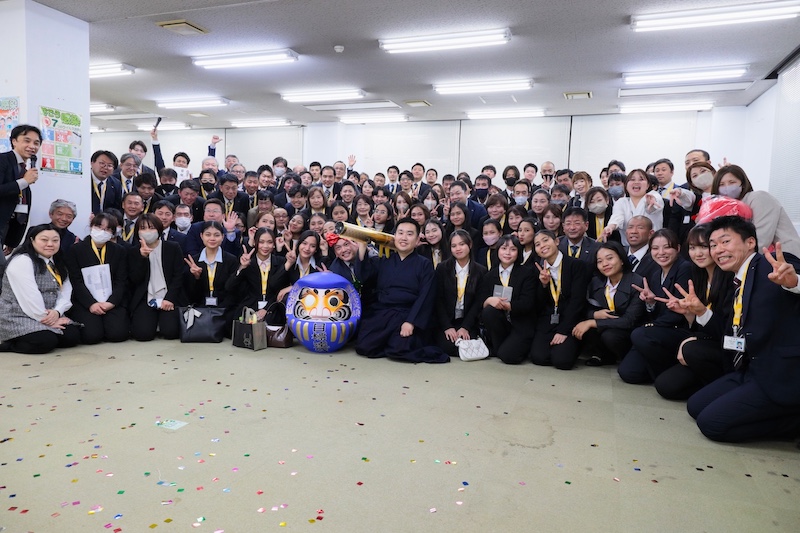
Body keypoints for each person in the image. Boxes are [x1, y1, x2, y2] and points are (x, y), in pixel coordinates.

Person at [687, 216, 800, 443]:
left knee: (711, 424)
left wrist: (794, 282)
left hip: (781, 374)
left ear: (750, 242)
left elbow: (792, 276)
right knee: (695, 406)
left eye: (725, 241)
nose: (718, 250)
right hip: (750, 370)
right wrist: (700, 311)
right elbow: (729, 331)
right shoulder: (736, 281)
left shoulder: (772, 265)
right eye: (713, 245)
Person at [652, 224, 734, 400]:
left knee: (691, 349)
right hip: (706, 343)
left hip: (727, 348)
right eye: (692, 247)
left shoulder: (730, 278)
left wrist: (693, 337)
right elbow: (697, 324)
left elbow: (726, 329)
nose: (698, 253)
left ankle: (725, 389)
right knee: (665, 386)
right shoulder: (698, 277)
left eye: (704, 247)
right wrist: (687, 313)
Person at [356, 218, 446, 363]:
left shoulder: (424, 264)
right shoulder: (384, 261)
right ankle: (389, 340)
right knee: (364, 346)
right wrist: (362, 246)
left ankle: (394, 340)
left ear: (417, 240)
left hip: (408, 314)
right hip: (384, 312)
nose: (404, 238)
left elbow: (425, 296)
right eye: (400, 233)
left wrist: (411, 322)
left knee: (400, 349)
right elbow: (364, 276)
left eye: (409, 234)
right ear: (394, 236)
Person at [617, 229, 691, 384]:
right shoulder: (656, 272)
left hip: (680, 328)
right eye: (655, 248)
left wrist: (651, 326)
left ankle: (669, 372)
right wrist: (650, 303)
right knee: (628, 373)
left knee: (640, 334)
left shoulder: (684, 268)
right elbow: (655, 309)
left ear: (678, 248)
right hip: (661, 328)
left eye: (667, 247)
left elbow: (679, 312)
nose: (661, 253)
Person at [0, 224, 80, 353]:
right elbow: (29, 297)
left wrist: (57, 312)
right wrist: (48, 320)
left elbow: (65, 291)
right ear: (32, 240)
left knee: (72, 336)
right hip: (17, 314)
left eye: (55, 240)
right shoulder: (22, 261)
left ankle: (43, 330)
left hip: (49, 314)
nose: (50, 244)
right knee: (45, 341)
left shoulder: (57, 261)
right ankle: (8, 344)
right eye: (44, 240)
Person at [572, 241, 645, 366]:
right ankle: (602, 355)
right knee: (581, 326)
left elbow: (629, 321)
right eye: (599, 261)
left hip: (628, 329)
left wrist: (593, 322)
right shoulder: (596, 282)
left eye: (609, 258)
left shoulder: (637, 282)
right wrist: (594, 315)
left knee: (610, 336)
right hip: (606, 324)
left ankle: (627, 358)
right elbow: (584, 307)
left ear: (622, 260)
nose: (605, 264)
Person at [65, 214, 130, 344]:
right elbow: (76, 280)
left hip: (111, 300)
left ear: (112, 233)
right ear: (91, 227)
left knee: (118, 334)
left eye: (108, 229)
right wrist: (91, 303)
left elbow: (121, 280)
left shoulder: (119, 250)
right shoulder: (76, 249)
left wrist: (111, 302)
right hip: (86, 301)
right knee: (91, 336)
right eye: (99, 227)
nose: (102, 231)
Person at [711, 164, 800, 259]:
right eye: (721, 185)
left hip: (784, 258)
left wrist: (735, 259)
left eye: (732, 182)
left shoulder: (759, 198)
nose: (727, 187)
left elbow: (762, 237)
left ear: (743, 184)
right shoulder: (727, 209)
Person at [529, 230, 588, 369]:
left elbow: (577, 301)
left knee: (562, 361)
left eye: (545, 240)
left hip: (571, 319)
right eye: (537, 244)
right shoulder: (537, 268)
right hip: (548, 319)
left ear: (556, 241)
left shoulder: (576, 265)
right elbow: (538, 304)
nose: (542, 245)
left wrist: (563, 330)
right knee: (538, 357)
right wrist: (543, 285)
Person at [479, 234, 537, 363]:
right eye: (504, 248)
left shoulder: (527, 273)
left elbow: (528, 303)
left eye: (513, 249)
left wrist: (506, 305)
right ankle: (502, 347)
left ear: (518, 252)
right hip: (501, 324)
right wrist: (489, 301)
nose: (507, 253)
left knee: (509, 357)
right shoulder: (489, 275)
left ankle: (512, 348)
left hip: (520, 323)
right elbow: (481, 302)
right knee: (489, 311)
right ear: (498, 250)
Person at [434, 230, 487, 357]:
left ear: (470, 245)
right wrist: (447, 326)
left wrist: (465, 327)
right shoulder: (442, 268)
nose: (458, 249)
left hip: (467, 320)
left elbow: (478, 303)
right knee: (447, 346)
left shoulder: (480, 271)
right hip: (447, 320)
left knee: (466, 343)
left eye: (462, 244)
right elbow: (438, 300)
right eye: (454, 246)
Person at [184, 221, 240, 337]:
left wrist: (219, 309)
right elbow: (190, 295)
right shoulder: (194, 261)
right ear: (201, 236)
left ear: (223, 237)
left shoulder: (231, 260)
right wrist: (196, 277)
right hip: (201, 307)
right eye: (208, 234)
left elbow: (233, 291)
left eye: (216, 235)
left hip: (224, 308)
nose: (212, 238)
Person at [227, 228, 288, 319]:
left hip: (273, 310)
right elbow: (229, 287)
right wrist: (242, 267)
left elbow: (280, 289)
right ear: (255, 243)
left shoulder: (280, 262)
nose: (265, 246)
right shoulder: (248, 262)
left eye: (269, 242)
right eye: (261, 242)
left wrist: (266, 309)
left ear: (274, 244)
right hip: (249, 310)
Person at [0, 125, 41, 260]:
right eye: (27, 141)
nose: (32, 146)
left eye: (36, 143)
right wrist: (24, 181)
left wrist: (12, 240)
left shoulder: (24, 169)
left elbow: (19, 205)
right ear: (14, 141)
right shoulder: (3, 160)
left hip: (7, 230)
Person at [602, 169, 664, 246]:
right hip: (628, 248)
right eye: (632, 179)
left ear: (648, 185)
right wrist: (610, 227)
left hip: (652, 247)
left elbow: (653, 207)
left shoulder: (653, 196)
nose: (636, 182)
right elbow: (617, 218)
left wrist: (651, 202)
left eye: (641, 179)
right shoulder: (622, 202)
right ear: (626, 185)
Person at [276, 230, 321, 302]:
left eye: (312, 246)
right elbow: (275, 284)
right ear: (299, 244)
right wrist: (289, 263)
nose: (307, 248)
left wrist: (295, 287)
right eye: (304, 243)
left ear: (316, 249)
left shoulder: (320, 264)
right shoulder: (291, 260)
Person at [90, 150, 123, 214]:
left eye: (109, 165)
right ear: (92, 163)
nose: (105, 167)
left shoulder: (116, 184)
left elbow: (116, 209)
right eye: (102, 163)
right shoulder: (83, 180)